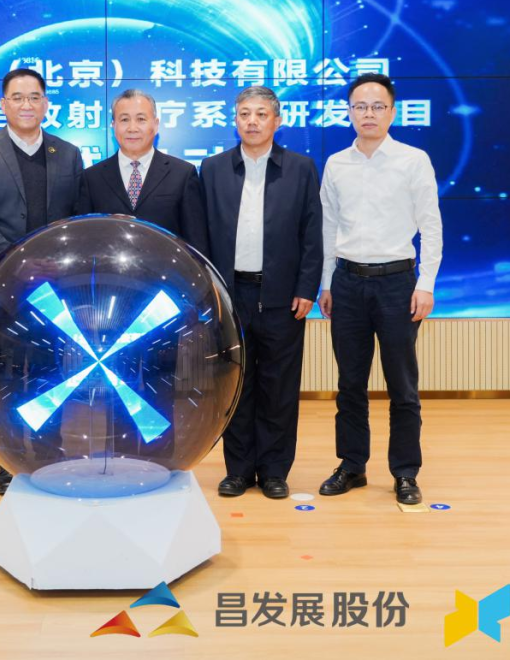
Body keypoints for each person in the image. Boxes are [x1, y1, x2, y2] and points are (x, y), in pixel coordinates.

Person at [317, 72, 443, 506]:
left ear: (392, 112)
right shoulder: (336, 163)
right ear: (349, 112)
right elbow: (328, 228)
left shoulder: (413, 160)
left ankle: (405, 472)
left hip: (398, 285)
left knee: (402, 386)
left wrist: (426, 284)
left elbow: (431, 226)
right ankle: (352, 465)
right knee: (349, 384)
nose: (368, 114)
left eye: (377, 106)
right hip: (347, 283)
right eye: (360, 106)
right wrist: (326, 283)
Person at [0, 67, 84, 495]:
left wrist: (55, 263)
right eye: (17, 97)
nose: (26, 105)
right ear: (3, 104)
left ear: (46, 104)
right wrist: (17, 260)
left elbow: (77, 218)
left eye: (34, 97)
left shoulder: (68, 154)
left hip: (54, 285)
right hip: (1, 284)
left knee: (54, 371)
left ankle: (50, 452)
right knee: (5, 374)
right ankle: (8, 459)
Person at [201, 86, 322, 499]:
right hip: (230, 297)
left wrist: (307, 287)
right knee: (235, 385)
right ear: (235, 120)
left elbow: (312, 232)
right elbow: (202, 235)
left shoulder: (301, 168)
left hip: (283, 297)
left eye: (261, 114)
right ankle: (238, 470)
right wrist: (210, 292)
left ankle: (273, 471)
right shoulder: (213, 169)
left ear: (277, 120)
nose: (252, 121)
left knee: (279, 387)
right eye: (245, 114)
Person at [75, 89, 209, 256]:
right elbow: (84, 240)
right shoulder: (92, 177)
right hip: (110, 271)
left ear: (156, 124)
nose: (132, 128)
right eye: (124, 119)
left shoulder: (183, 174)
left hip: (167, 271)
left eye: (141, 119)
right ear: (113, 126)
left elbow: (196, 245)